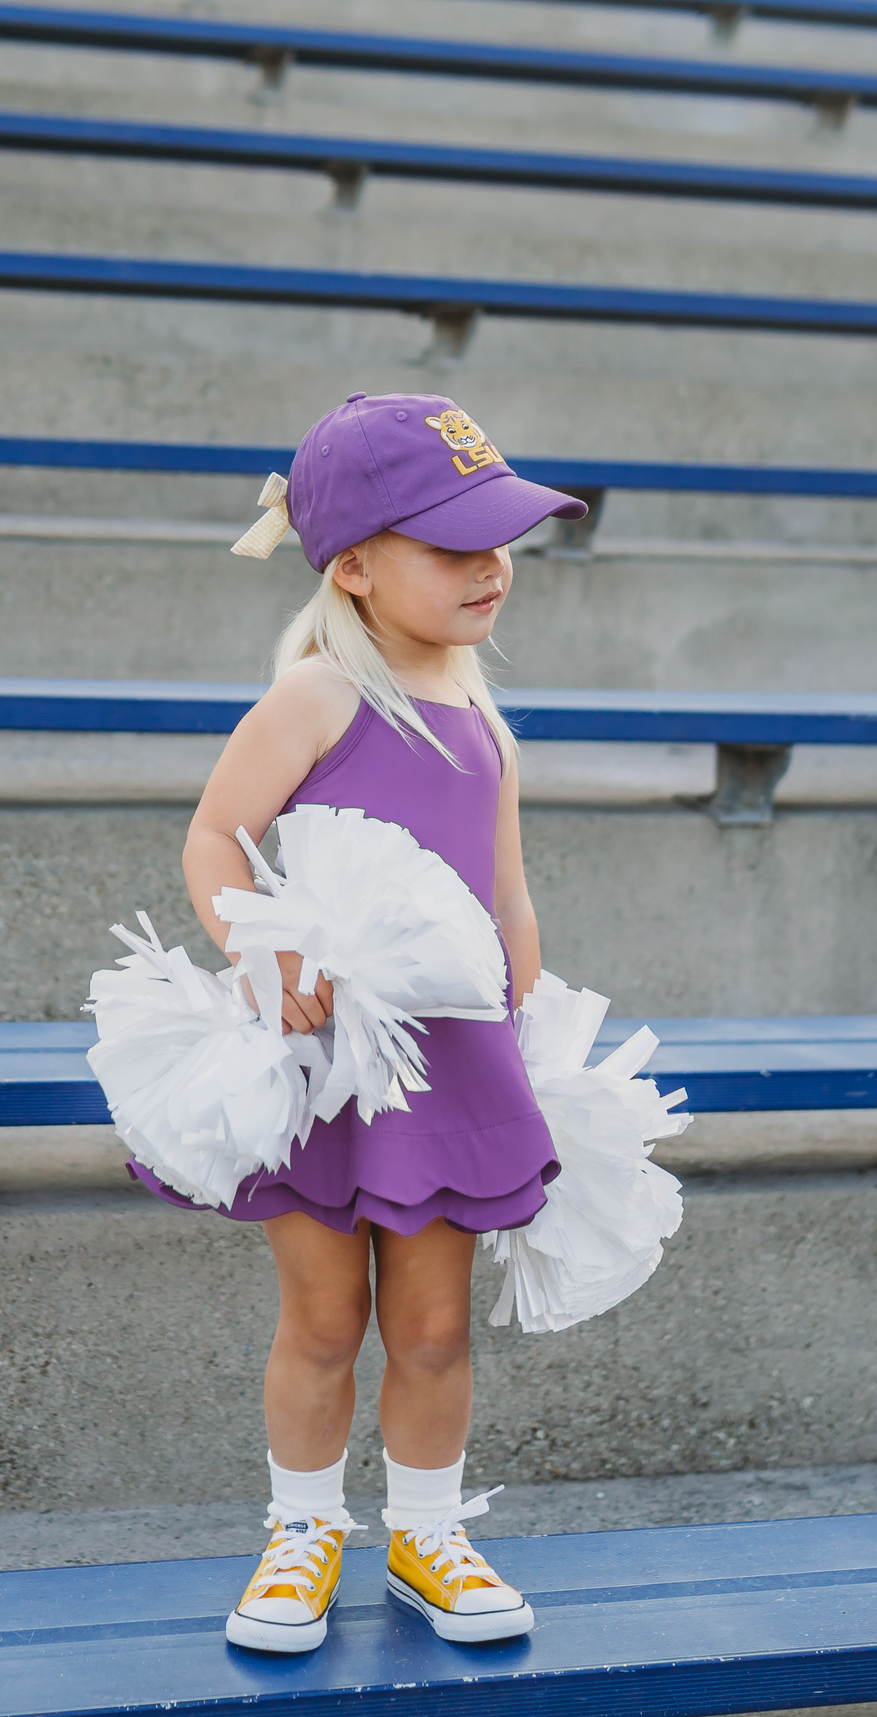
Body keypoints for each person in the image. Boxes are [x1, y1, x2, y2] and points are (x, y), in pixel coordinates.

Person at [131, 392, 587, 1653]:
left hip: (451, 1062)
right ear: (353, 566)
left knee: (433, 1325)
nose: (491, 566)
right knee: (325, 1316)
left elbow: (504, 889)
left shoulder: (478, 711)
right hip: (333, 1058)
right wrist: (262, 949)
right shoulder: (319, 696)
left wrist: (528, 1023)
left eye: (500, 540)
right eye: (454, 544)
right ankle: (301, 1528)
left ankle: (425, 1531)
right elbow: (215, 834)